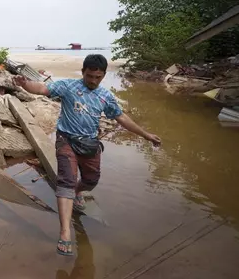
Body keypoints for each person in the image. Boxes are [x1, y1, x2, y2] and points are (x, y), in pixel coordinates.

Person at [13, 54, 161, 256]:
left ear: (103, 76)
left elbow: (122, 118)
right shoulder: (68, 87)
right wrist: (26, 85)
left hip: (90, 143)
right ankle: (65, 233)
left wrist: (146, 135)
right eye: (89, 76)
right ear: (83, 72)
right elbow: (42, 89)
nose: (93, 81)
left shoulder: (105, 97)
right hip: (66, 140)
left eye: (97, 77)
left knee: (91, 180)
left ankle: (78, 192)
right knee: (66, 181)